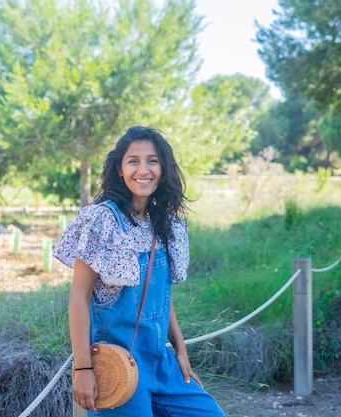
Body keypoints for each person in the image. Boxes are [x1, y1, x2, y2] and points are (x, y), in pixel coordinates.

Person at [53, 126, 225, 416]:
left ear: (163, 169)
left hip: (161, 362)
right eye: (133, 160)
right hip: (117, 367)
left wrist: (180, 350)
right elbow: (78, 298)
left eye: (152, 161)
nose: (143, 169)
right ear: (120, 169)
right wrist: (83, 368)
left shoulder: (165, 223)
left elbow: (161, 297)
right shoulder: (102, 221)